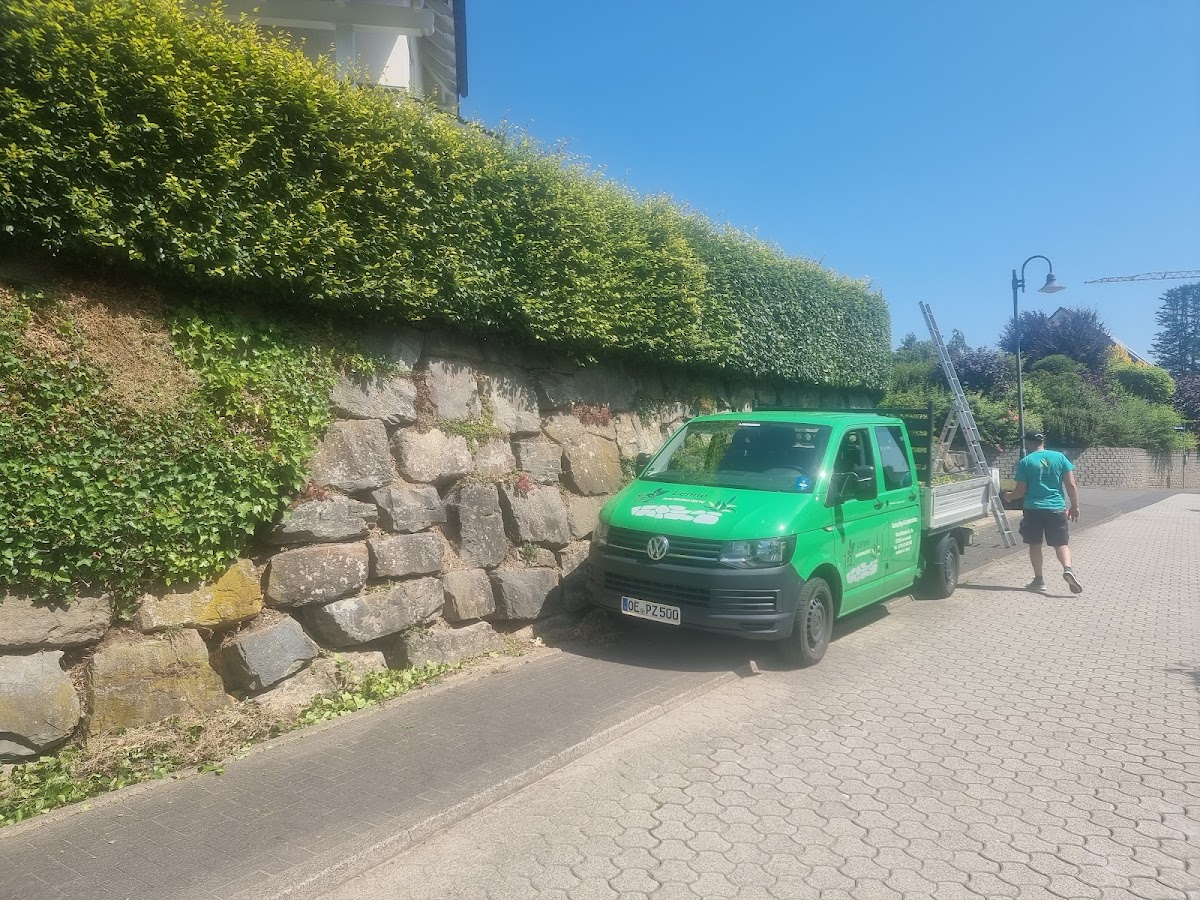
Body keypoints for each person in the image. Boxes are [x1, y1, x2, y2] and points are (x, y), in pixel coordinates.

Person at [1002, 431, 1083, 593]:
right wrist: (1075, 506)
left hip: (1034, 509)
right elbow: (1071, 484)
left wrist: (1008, 496)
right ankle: (1067, 569)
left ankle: (1039, 580)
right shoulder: (1059, 457)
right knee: (1061, 543)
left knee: (1035, 544)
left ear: (1028, 443)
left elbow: (1020, 491)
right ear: (1042, 442)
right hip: (1057, 508)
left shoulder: (1025, 462)